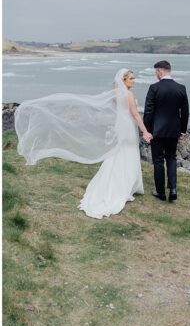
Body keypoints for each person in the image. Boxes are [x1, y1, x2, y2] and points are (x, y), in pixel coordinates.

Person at [15, 69, 150, 218]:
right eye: (131, 78)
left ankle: (126, 184)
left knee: (118, 156)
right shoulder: (128, 94)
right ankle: (125, 186)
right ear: (123, 80)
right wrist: (145, 131)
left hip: (121, 128)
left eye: (134, 78)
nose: (134, 81)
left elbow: (118, 113)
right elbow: (135, 114)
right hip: (128, 129)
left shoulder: (117, 94)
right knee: (126, 155)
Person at [143, 60, 189, 202]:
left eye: (156, 72)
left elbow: (149, 111)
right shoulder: (181, 88)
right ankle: (173, 189)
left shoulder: (154, 88)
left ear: (160, 72)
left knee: (158, 161)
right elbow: (185, 112)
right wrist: (182, 130)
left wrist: (147, 130)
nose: (156, 74)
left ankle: (161, 192)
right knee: (171, 158)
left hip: (157, 130)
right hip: (174, 130)